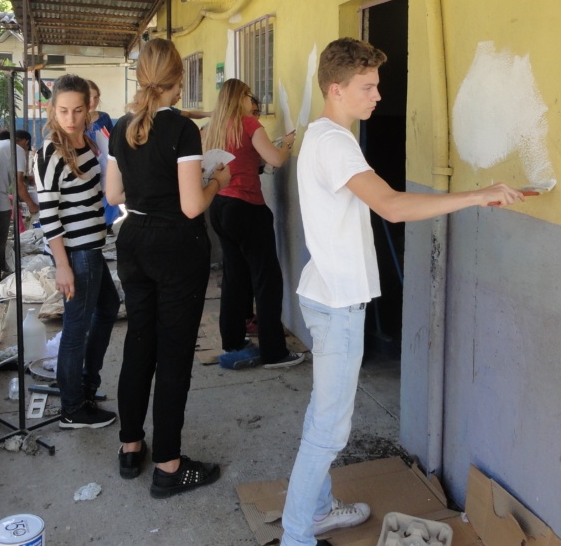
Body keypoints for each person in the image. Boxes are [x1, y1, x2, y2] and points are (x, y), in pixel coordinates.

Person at [279, 38, 524, 546]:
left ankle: (317, 510)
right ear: (336, 89)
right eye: (367, 87)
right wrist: (477, 195)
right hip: (337, 304)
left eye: (377, 86)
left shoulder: (319, 135)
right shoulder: (335, 143)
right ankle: (297, 535)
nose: (377, 96)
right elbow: (390, 206)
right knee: (329, 430)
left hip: (324, 293)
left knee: (324, 417)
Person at [104, 38, 231, 498]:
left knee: (139, 343)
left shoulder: (122, 127)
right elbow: (192, 206)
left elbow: (114, 195)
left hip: (134, 240)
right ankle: (169, 466)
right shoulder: (182, 130)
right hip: (176, 244)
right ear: (178, 79)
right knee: (174, 354)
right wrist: (216, 181)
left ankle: (130, 446)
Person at [34, 75, 121, 429]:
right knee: (75, 329)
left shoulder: (88, 142)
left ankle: (86, 386)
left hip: (93, 247)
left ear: (89, 109)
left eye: (78, 110)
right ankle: (72, 408)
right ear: (52, 110)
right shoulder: (50, 152)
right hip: (77, 253)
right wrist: (62, 265)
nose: (70, 118)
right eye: (63, 110)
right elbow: (48, 215)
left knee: (108, 307)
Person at [204, 78, 302, 370]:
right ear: (240, 97)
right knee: (266, 280)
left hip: (220, 205)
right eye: (249, 95)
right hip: (246, 207)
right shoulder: (248, 124)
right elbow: (275, 160)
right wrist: (286, 144)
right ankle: (274, 352)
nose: (253, 99)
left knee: (234, 278)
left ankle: (233, 341)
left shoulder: (213, 128)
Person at [0, 129, 40, 297]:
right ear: (25, 142)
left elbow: (5, 171)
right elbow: (18, 185)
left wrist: (26, 179)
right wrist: (32, 205)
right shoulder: (17, 149)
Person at [85, 79, 122, 227]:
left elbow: (112, 140)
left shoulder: (104, 117)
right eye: (89, 97)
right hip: (87, 165)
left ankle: (107, 225)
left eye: (96, 97)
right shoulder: (78, 119)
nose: (93, 101)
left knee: (109, 196)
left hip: (105, 164)